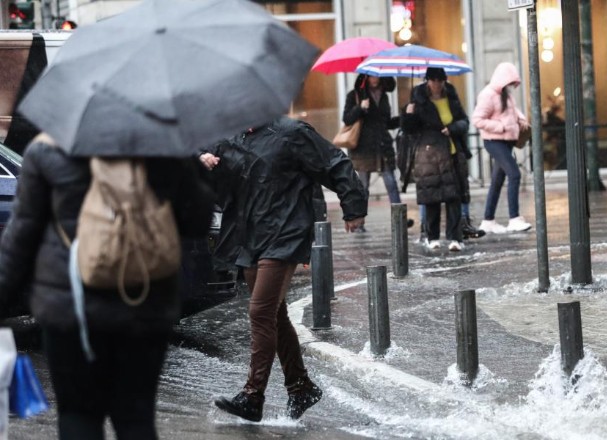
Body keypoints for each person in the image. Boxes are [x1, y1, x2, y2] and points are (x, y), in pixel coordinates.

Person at [0, 135, 215, 439]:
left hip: (69, 304)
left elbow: (20, 237)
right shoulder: (164, 148)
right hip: (145, 302)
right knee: (136, 417)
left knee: (77, 415)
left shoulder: (46, 151)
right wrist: (196, 170)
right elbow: (197, 222)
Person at [200, 116, 367, 423]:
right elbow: (212, 178)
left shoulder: (291, 133)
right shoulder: (231, 138)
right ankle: (300, 386)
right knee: (275, 314)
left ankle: (253, 396)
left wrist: (353, 205)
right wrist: (204, 163)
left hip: (286, 231)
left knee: (260, 312)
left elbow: (335, 164)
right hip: (250, 236)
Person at [402, 67, 469, 252]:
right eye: (433, 80)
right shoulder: (418, 100)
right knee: (432, 196)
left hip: (451, 152)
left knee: (453, 196)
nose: (437, 84)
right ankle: (432, 237)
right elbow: (409, 130)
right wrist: (408, 113)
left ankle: (456, 237)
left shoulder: (451, 98)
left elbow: (464, 121)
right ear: (427, 81)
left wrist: (452, 128)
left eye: (440, 80)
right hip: (429, 155)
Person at [472, 62, 532, 234]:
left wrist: (521, 120)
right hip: (494, 141)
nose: (511, 86)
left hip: (506, 142)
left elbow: (513, 111)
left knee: (497, 181)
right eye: (509, 82)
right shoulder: (487, 95)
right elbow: (477, 120)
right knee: (514, 174)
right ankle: (514, 218)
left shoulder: (506, 94)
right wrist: (500, 126)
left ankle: (488, 220)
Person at [342, 74, 406, 233]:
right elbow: (347, 118)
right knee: (363, 187)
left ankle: (400, 220)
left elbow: (385, 122)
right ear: (365, 77)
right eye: (371, 75)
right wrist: (360, 108)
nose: (374, 78)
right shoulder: (355, 95)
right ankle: (359, 222)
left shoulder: (384, 96)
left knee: (391, 183)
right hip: (363, 148)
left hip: (382, 146)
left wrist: (403, 118)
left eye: (377, 75)